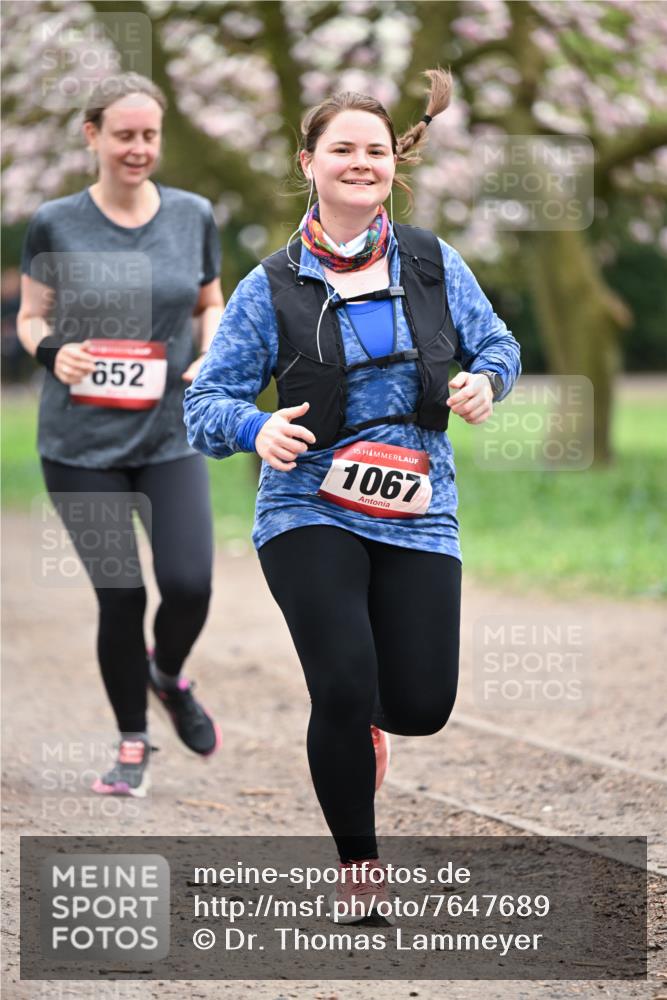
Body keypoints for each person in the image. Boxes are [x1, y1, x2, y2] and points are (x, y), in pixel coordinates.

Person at [184, 69, 520, 917]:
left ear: (391, 166)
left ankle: (370, 723)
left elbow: (497, 348)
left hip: (417, 507)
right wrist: (256, 430)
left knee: (419, 705)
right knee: (339, 681)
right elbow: (204, 403)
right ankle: (358, 868)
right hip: (307, 504)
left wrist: (486, 384)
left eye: (374, 150)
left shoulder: (433, 261)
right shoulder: (269, 286)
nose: (359, 162)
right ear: (309, 161)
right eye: (342, 149)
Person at [17, 73, 224, 798]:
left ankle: (168, 676)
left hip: (168, 431)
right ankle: (132, 742)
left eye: (149, 135)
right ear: (93, 137)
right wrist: (53, 352)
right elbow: (32, 315)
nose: (138, 149)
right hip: (79, 445)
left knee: (191, 584)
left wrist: (210, 350)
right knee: (122, 595)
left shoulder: (194, 214)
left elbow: (208, 302)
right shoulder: (55, 222)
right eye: (124, 135)